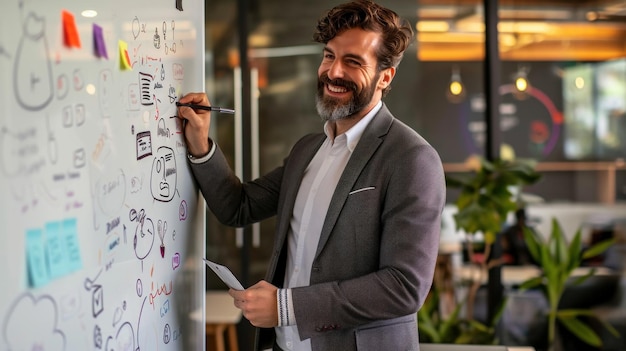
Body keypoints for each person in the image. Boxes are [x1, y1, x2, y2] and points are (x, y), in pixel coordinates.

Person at [177, 1, 446, 350]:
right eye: (329, 56)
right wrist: (200, 144)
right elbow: (238, 207)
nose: (333, 72)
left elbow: (403, 287)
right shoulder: (309, 149)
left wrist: (286, 307)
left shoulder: (412, 158)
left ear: (385, 76)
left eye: (352, 62)